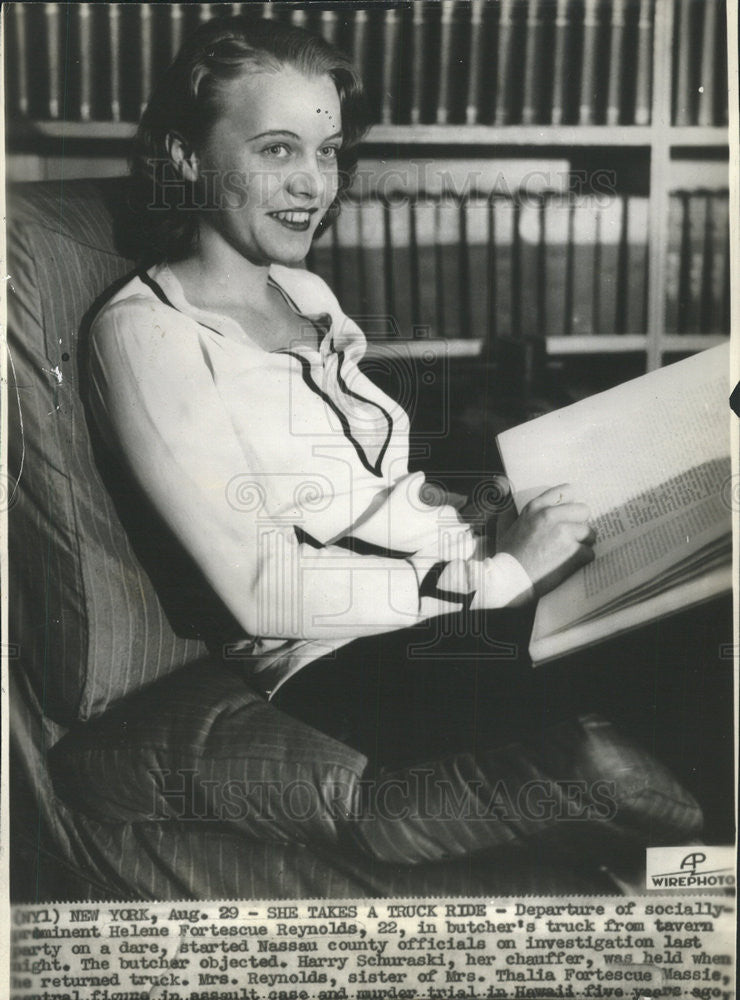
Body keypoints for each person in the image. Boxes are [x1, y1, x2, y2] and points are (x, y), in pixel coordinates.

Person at [88, 15, 693, 872]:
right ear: (186, 155)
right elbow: (265, 590)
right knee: (675, 663)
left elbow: (370, 486)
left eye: (327, 151)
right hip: (345, 659)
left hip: (454, 587)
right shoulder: (149, 337)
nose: (313, 185)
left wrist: (486, 514)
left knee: (693, 593)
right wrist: (498, 575)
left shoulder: (302, 290)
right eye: (275, 150)